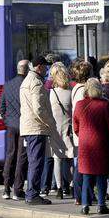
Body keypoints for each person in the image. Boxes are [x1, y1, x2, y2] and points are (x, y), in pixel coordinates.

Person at [73, 78, 109, 215]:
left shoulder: (80, 104)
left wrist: (82, 134)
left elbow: (75, 126)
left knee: (86, 176)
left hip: (85, 144)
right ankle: (101, 204)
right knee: (101, 176)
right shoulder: (104, 105)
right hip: (101, 143)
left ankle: (85, 205)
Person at [20, 56, 54, 205]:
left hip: (29, 126)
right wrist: (50, 123)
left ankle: (31, 193)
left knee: (33, 161)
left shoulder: (27, 80)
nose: (46, 70)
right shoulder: (36, 82)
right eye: (45, 67)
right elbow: (39, 108)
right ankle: (33, 194)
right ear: (39, 66)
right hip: (36, 127)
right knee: (36, 162)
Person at [0, 60, 29, 201]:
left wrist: (7, 121)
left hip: (11, 125)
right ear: (27, 70)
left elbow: (2, 107)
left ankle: (6, 189)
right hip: (24, 125)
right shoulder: (27, 85)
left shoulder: (8, 84)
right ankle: (18, 190)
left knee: (10, 155)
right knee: (21, 157)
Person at [48, 62, 74, 200]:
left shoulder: (51, 93)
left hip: (55, 130)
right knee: (70, 158)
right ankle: (70, 185)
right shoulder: (70, 93)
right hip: (68, 129)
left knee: (57, 159)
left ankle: (59, 188)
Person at [70, 61, 93, 206]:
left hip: (80, 132)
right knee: (81, 165)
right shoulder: (82, 90)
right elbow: (81, 113)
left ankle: (83, 194)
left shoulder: (76, 88)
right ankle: (80, 195)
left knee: (81, 164)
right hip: (83, 132)